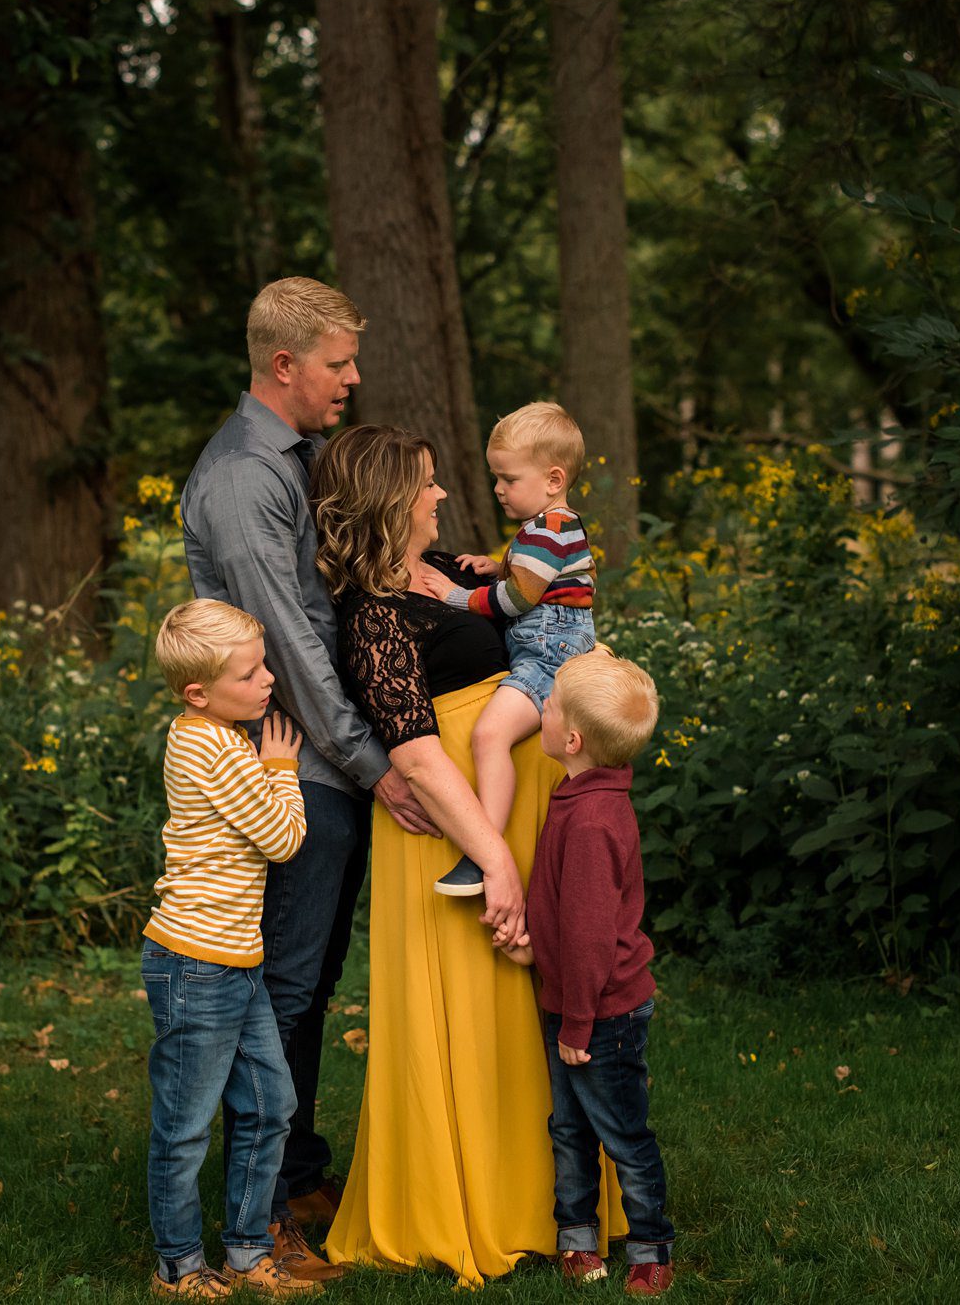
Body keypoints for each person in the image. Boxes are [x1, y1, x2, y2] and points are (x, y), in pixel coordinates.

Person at [311, 424, 624, 1287]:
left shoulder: (447, 568)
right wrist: (495, 861)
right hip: (453, 836)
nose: (442, 495)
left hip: (511, 817)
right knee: (473, 1004)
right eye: (425, 483)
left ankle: (555, 1203)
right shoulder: (373, 614)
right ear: (385, 502)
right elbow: (413, 755)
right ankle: (467, 1202)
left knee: (536, 1013)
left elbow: (533, 595)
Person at [179, 277, 436, 1273]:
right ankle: (263, 1215)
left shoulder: (302, 461)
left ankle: (295, 1168)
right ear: (282, 365)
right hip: (291, 772)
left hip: (323, 767)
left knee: (308, 983)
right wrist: (374, 766)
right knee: (281, 991)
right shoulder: (245, 478)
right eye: (337, 363)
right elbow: (287, 643)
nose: (352, 378)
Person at [139, 599, 321, 1299]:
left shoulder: (219, 734)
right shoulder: (210, 746)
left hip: (235, 960)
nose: (269, 680)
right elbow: (283, 839)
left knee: (270, 1102)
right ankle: (178, 1264)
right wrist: (281, 767)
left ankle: (247, 1251)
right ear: (199, 692)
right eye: (251, 673)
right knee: (185, 1125)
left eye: (264, 663)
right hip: (195, 962)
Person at [503, 648, 676, 1296]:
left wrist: (576, 1022)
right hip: (575, 998)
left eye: (546, 703)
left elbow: (588, 938)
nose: (538, 706)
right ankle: (577, 1238)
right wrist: (533, 950)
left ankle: (651, 1245)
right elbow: (562, 909)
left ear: (570, 738)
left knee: (624, 1133)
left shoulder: (592, 821)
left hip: (601, 1009)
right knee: (569, 1127)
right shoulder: (581, 791)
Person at [423, 402, 597, 896]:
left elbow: (520, 598)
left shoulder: (548, 528)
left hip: (549, 652)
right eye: (495, 476)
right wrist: (495, 567)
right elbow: (536, 579)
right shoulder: (551, 527)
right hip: (547, 644)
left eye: (508, 478)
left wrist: (458, 596)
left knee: (489, 736)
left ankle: (483, 854)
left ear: (553, 477)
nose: (498, 488)